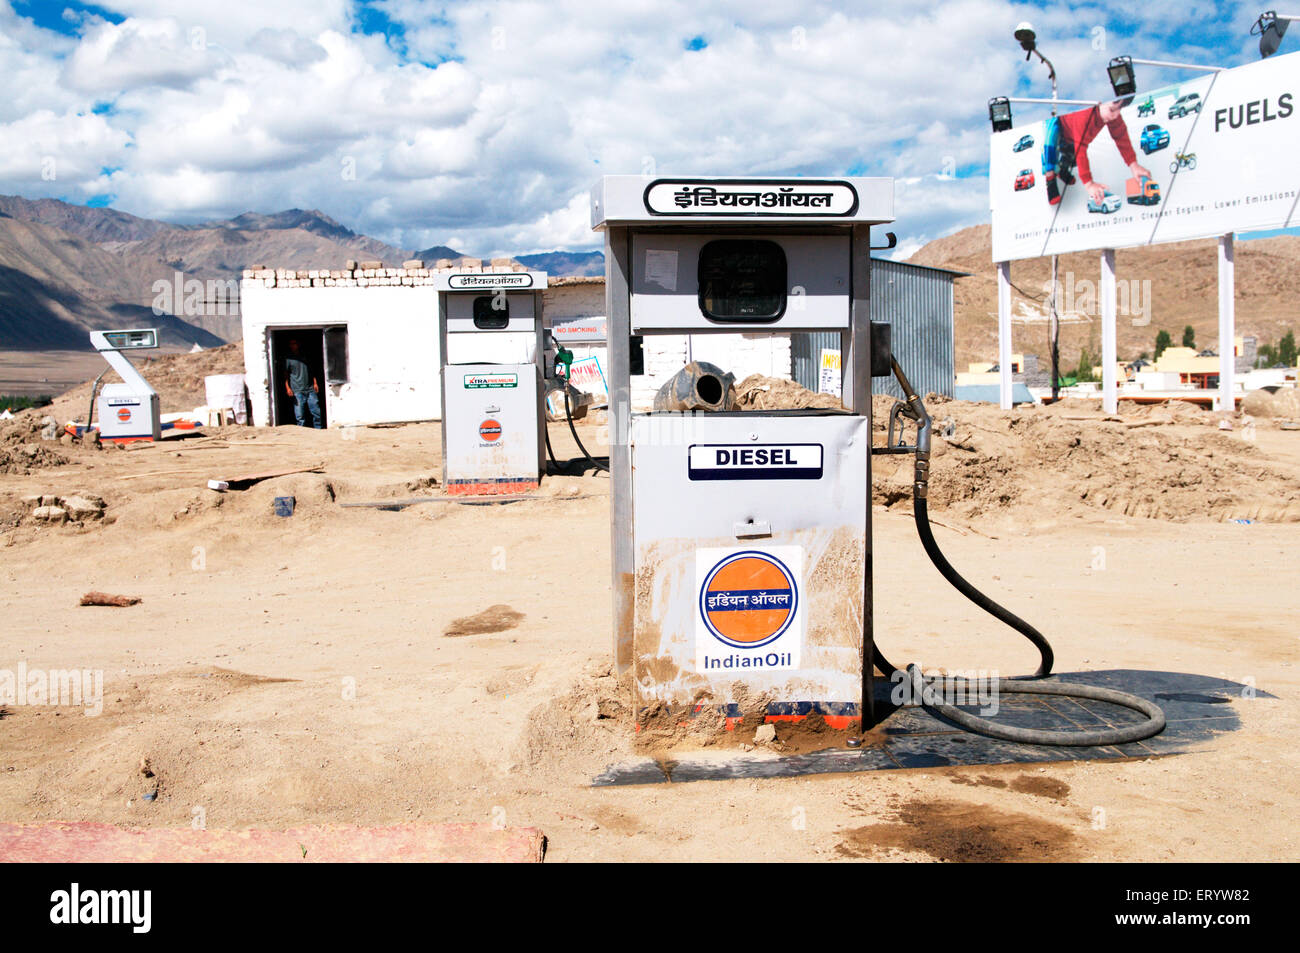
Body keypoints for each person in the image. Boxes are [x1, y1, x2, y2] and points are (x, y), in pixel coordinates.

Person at [1042, 98, 1151, 206]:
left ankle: (1062, 171)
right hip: (1060, 123)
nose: (1116, 115)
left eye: (1120, 109)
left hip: (1072, 135)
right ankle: (1050, 179)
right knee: (1050, 144)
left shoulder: (1111, 113)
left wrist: (1133, 165)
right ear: (1099, 102)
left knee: (1070, 154)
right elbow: (1081, 148)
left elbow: (1120, 135)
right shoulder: (1084, 115)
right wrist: (1089, 184)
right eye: (1112, 110)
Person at [284, 338, 322, 428]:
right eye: (292, 344)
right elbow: (285, 375)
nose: (293, 345)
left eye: (295, 343)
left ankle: (318, 430)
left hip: (310, 388)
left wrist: (315, 383)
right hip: (297, 390)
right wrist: (288, 388)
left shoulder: (305, 356)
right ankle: (301, 432)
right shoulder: (288, 359)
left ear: (298, 344)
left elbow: (311, 371)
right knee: (300, 415)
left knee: (316, 412)